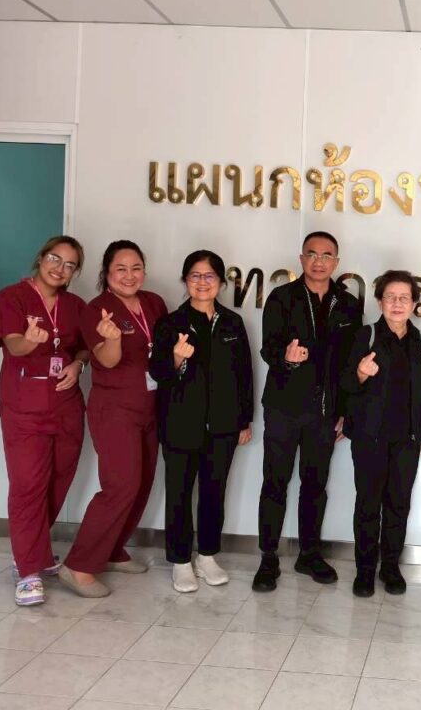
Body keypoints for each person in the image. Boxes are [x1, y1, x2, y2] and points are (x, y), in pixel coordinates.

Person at [253, 231, 362, 591]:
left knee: (315, 486)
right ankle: (269, 557)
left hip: (325, 412)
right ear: (301, 259)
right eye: (312, 254)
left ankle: (309, 554)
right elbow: (268, 348)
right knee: (275, 483)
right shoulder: (282, 297)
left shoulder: (347, 305)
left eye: (326, 255)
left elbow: (350, 364)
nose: (319, 261)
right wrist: (285, 357)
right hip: (283, 409)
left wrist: (345, 410)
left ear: (336, 262)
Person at [60, 241, 167, 598]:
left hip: (151, 406)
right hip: (115, 410)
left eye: (136, 267)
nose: (129, 275)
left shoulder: (154, 303)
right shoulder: (97, 310)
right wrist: (113, 339)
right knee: (121, 486)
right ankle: (78, 566)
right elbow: (106, 361)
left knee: (143, 482)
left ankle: (112, 550)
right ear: (106, 273)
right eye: (120, 269)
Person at [0, 235, 90, 606]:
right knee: (28, 484)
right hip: (25, 406)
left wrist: (78, 365)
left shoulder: (75, 306)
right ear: (41, 258)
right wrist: (30, 341)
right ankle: (28, 570)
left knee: (59, 479)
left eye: (69, 265)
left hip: (65, 405)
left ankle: (33, 550)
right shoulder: (11, 298)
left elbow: (85, 345)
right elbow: (14, 344)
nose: (60, 268)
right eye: (54, 259)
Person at [149, 250, 254, 593]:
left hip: (223, 426)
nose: (202, 282)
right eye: (195, 275)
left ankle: (207, 556)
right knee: (178, 494)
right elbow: (157, 372)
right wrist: (176, 358)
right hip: (180, 423)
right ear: (185, 280)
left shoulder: (232, 323)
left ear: (221, 282)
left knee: (214, 493)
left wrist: (245, 420)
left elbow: (244, 374)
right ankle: (180, 561)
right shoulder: (170, 323)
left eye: (209, 276)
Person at [341, 270, 421, 597]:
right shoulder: (366, 335)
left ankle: (390, 567)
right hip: (369, 437)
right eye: (390, 297)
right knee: (368, 504)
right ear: (379, 301)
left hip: (407, 439)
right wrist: (360, 373)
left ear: (414, 304)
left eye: (404, 298)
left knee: (399, 504)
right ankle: (365, 569)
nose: (397, 304)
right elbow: (344, 383)